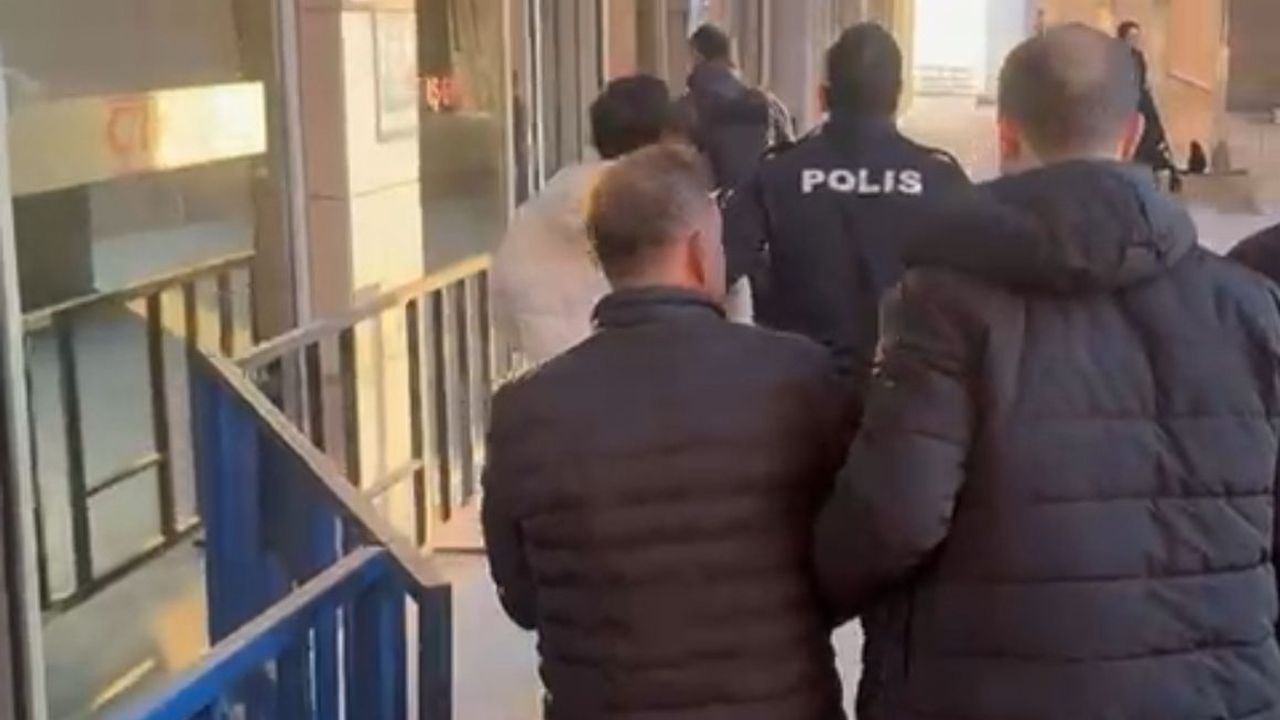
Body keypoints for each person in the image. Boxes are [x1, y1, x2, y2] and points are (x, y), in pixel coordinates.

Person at [814, 24, 1280, 719]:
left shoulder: (940, 306)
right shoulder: (1251, 307)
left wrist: (815, 589)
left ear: (1005, 134)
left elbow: (894, 517)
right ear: (1131, 135)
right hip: (1215, 696)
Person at [482, 143, 853, 720]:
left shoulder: (525, 411)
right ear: (699, 251)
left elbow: (524, 598)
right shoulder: (799, 376)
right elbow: (851, 551)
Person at [722, 22, 969, 393]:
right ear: (898, 94)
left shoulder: (776, 174)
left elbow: (714, 269)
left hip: (798, 396)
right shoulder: (942, 179)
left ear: (823, 96)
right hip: (908, 397)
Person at [490, 75, 675, 366]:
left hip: (554, 356)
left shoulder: (558, 192)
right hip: (614, 359)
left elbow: (504, 295)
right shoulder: (642, 199)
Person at [679, 23, 794, 193]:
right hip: (761, 200)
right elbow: (790, 158)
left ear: (697, 56)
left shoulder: (687, 107)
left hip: (708, 203)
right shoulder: (769, 103)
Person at [1118, 20, 1175, 174]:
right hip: (1127, 99)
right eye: (1132, 37)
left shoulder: (1139, 56)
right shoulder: (1118, 58)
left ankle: (1153, 159)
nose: (1136, 41)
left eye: (1137, 37)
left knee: (1152, 127)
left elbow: (1143, 79)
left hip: (1141, 98)